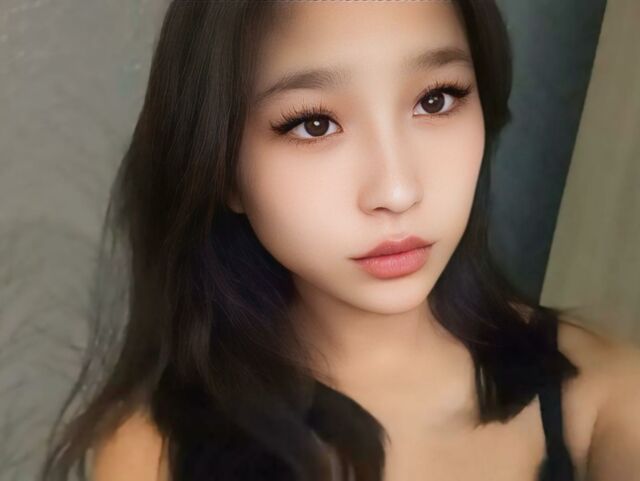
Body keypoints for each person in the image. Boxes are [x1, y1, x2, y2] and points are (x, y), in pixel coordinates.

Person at [40, 1, 640, 481]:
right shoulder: (152, 455)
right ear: (222, 169)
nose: (397, 190)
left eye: (436, 99)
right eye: (314, 123)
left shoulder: (604, 397)